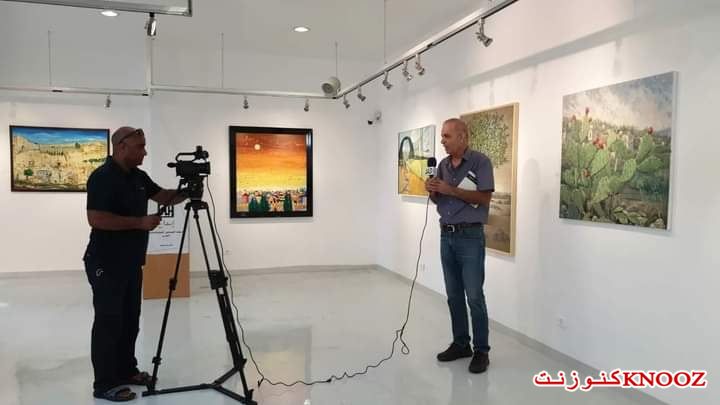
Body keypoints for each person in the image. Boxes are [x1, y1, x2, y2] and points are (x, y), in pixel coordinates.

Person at [83, 127, 187, 401]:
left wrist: (186, 191)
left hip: (131, 262)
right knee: (109, 321)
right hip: (105, 262)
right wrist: (140, 222)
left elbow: (162, 196)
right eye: (140, 146)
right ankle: (104, 384)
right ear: (121, 147)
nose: (145, 151)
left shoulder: (138, 177)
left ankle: (127, 370)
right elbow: (96, 218)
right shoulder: (102, 177)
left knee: (130, 320)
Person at [425, 118, 494, 374]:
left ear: (462, 137)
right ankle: (461, 343)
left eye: (447, 136)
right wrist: (433, 190)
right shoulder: (443, 165)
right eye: (442, 136)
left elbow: (484, 197)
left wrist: (450, 189)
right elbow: (441, 200)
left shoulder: (480, 162)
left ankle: (481, 351)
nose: (442, 141)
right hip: (447, 236)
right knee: (453, 295)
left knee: (474, 296)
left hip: (470, 238)